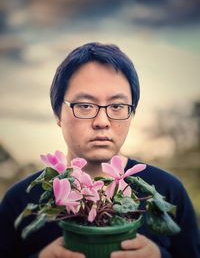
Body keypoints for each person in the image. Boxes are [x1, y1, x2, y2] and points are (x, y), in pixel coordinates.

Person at [0, 42, 199, 258]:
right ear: (58, 114)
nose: (102, 121)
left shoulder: (168, 191)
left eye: (117, 106)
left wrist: (160, 256)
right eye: (85, 105)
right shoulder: (19, 201)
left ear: (131, 114)